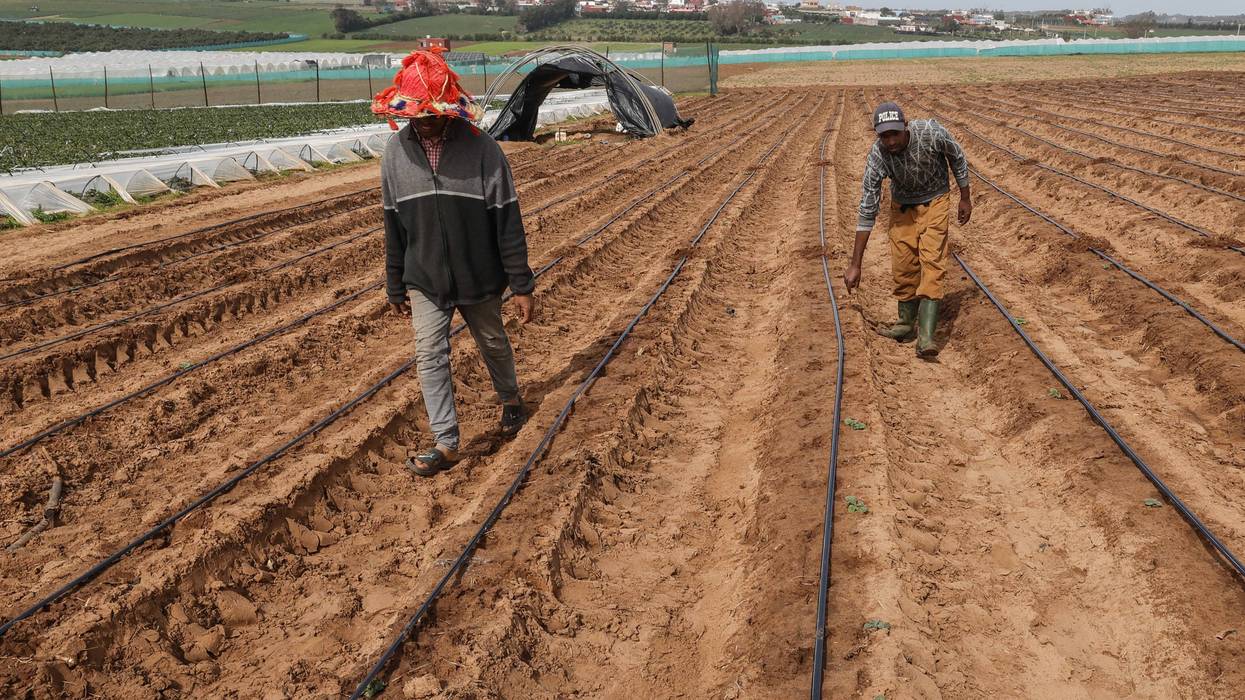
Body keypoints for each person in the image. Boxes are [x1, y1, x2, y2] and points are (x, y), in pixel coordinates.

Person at [374, 49, 536, 476]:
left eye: (431, 113)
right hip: (424, 277)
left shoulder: (482, 150)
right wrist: (395, 283)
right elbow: (393, 226)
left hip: (479, 273)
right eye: (416, 114)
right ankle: (445, 442)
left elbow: (507, 218)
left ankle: (511, 401)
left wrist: (521, 283)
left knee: (494, 343)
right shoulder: (395, 154)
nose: (423, 121)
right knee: (429, 353)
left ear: (449, 111)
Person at [843, 101, 971, 358]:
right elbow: (868, 207)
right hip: (903, 206)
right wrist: (855, 263)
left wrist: (965, 197)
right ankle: (905, 324)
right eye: (884, 136)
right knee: (904, 266)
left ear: (906, 126)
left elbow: (957, 156)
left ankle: (926, 337)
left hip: (935, 200)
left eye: (895, 133)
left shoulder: (931, 133)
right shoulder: (877, 156)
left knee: (932, 262)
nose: (890, 141)